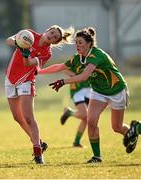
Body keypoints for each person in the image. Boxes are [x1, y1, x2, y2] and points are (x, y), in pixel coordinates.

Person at [39, 26, 133, 163]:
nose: (77, 45)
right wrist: (37, 71)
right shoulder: (78, 58)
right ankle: (97, 156)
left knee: (117, 127)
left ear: (89, 43)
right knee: (91, 121)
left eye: (80, 42)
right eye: (76, 42)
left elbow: (83, 76)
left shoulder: (97, 55)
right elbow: (59, 67)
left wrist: (63, 81)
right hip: (99, 92)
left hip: (116, 89)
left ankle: (134, 132)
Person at [5, 25, 74, 164]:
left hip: (26, 81)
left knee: (29, 118)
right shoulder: (29, 34)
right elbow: (9, 40)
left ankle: (38, 153)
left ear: (54, 43)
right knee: (18, 118)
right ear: (48, 30)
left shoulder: (46, 53)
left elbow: (28, 64)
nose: (52, 36)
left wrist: (25, 54)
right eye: (52, 33)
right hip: (10, 77)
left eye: (55, 38)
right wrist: (18, 42)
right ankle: (40, 143)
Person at [60, 70, 92, 147]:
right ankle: (69, 112)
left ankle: (76, 142)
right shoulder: (77, 58)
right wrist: (74, 74)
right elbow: (63, 68)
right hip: (77, 90)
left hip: (89, 90)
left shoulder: (91, 58)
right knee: (84, 115)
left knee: (86, 118)